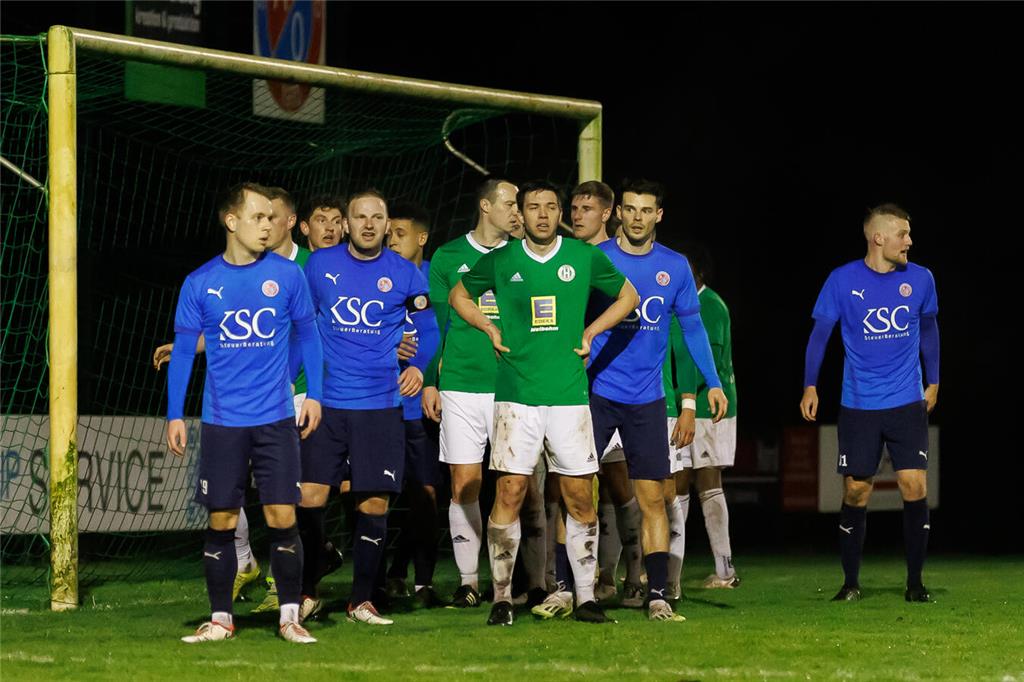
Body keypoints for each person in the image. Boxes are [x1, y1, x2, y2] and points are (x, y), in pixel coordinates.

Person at [450, 179, 640, 626]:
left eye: (549, 207)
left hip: (569, 398)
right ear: (522, 214)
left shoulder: (584, 256)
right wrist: (488, 328)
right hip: (516, 398)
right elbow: (459, 295)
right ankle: (500, 596)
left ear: (559, 214)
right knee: (511, 492)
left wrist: (592, 332)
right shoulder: (499, 260)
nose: (541, 214)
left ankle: (587, 597)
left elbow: (629, 297)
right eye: (532, 206)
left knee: (579, 497)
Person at [151, 187, 342, 607]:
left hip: (276, 416)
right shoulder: (199, 282)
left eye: (272, 217)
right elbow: (184, 351)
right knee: (220, 517)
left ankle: (291, 611)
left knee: (284, 514)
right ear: (231, 222)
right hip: (222, 420)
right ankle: (221, 617)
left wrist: (316, 395)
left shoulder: (289, 274)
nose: (268, 225)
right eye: (258, 217)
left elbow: (310, 335)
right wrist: (175, 414)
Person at [584, 179, 725, 622]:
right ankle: (571, 587)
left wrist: (712, 382)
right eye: (630, 209)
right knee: (574, 492)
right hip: (595, 393)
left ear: (658, 215)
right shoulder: (596, 259)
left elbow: (693, 329)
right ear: (618, 214)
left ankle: (658, 593)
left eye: (647, 210)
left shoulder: (675, 267)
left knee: (652, 498)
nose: (638, 217)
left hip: (647, 400)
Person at [298, 189, 432, 626]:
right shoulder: (320, 264)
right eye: (361, 217)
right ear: (348, 224)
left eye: (378, 218)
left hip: (380, 406)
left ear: (388, 224)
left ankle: (361, 601)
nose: (370, 224)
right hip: (329, 404)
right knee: (310, 496)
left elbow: (427, 327)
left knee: (373, 503)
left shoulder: (406, 273)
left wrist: (420, 367)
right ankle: (306, 591)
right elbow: (302, 323)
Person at [800, 203, 939, 603]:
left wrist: (934, 381)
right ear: (878, 237)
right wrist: (810, 385)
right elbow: (819, 336)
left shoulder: (922, 279)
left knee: (914, 485)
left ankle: (915, 584)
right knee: (857, 491)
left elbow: (930, 332)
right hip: (859, 405)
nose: (909, 241)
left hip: (907, 401)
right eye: (903, 234)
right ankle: (850, 583)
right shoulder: (841, 280)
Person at [420, 178, 520, 608]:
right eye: (511, 203)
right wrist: (429, 379)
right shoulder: (449, 256)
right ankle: (468, 581)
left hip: (514, 384)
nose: (518, 210)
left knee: (517, 486)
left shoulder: (524, 254)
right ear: (485, 206)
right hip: (461, 382)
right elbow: (436, 326)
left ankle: (522, 581)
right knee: (464, 482)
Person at [382, 200, 445, 607]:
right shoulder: (374, 277)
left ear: (421, 238)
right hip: (377, 404)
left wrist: (430, 380)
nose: (391, 241)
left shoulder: (433, 282)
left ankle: (421, 580)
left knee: (426, 494)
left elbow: (444, 336)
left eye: (399, 235)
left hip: (420, 404)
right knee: (377, 493)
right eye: (389, 235)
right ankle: (380, 577)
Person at [671, 241, 740, 594]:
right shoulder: (679, 303)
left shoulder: (709, 306)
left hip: (706, 409)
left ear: (696, 272)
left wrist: (687, 404)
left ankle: (724, 569)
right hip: (681, 406)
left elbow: (704, 362)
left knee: (706, 482)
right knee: (678, 483)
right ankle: (670, 573)